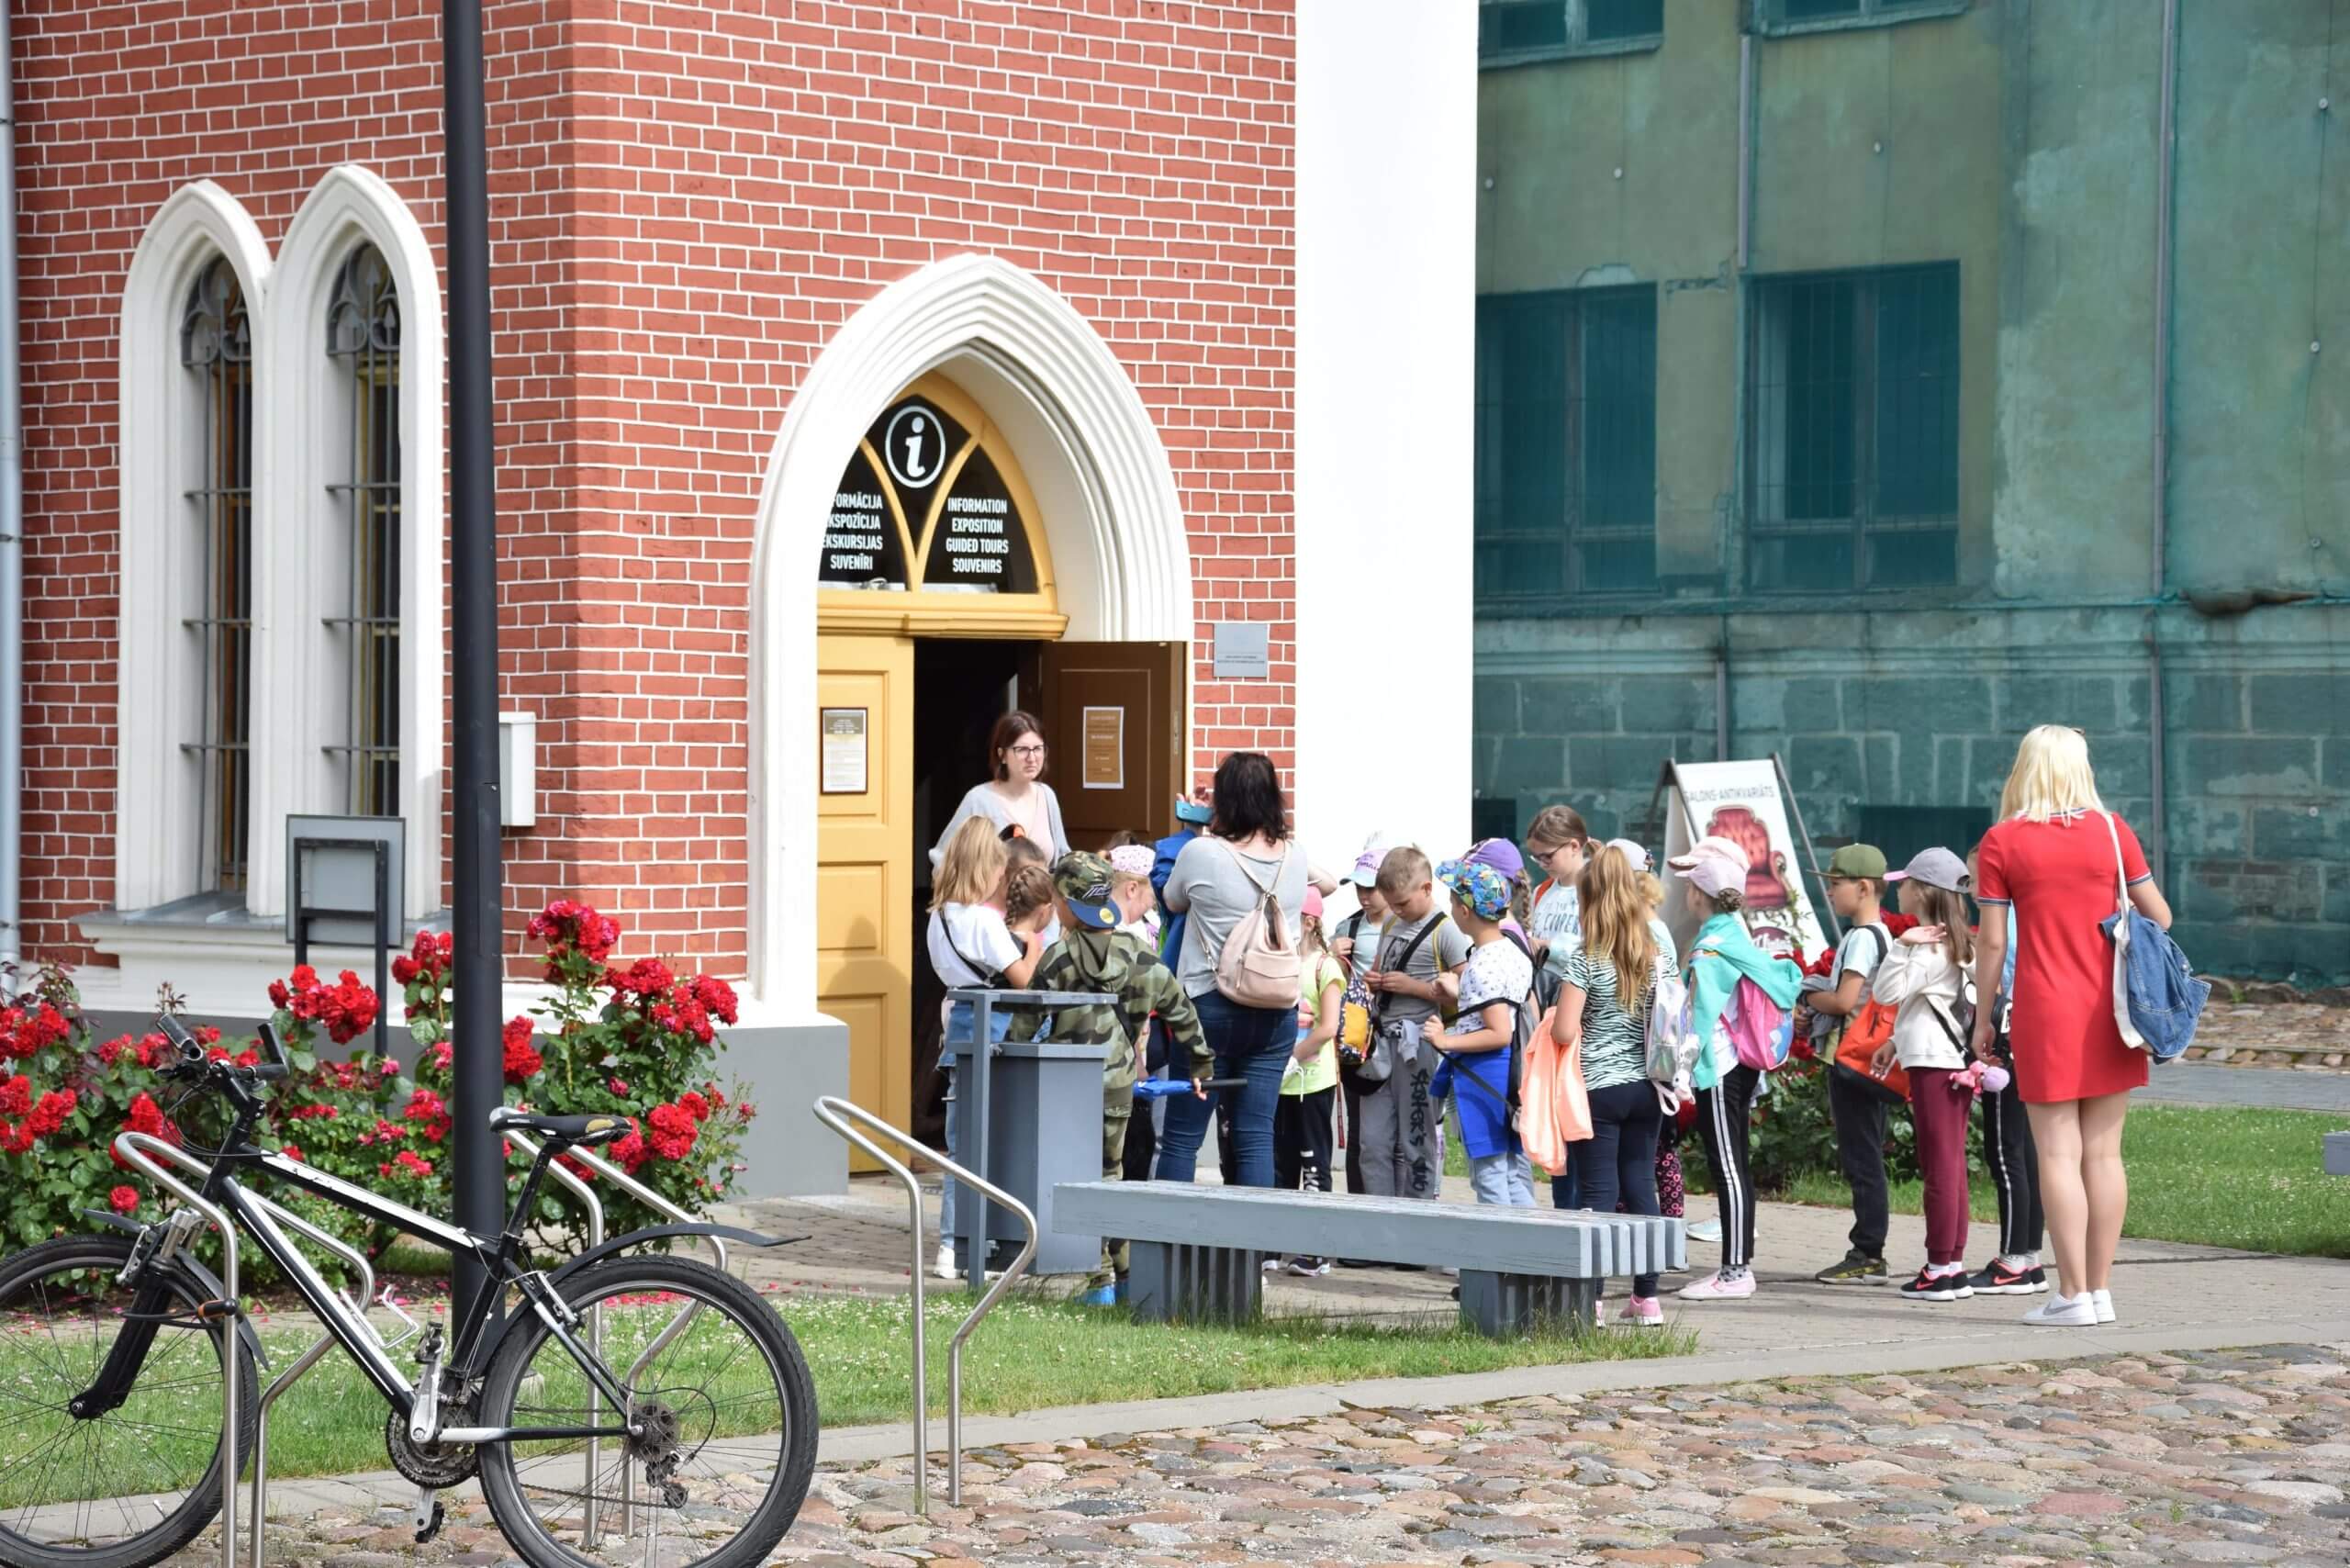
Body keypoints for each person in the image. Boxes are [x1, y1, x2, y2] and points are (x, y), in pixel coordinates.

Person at [1970, 725, 2175, 1329]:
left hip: (2046, 1010)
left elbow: (1992, 942)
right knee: (2105, 1156)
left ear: (2024, 770)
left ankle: (2072, 1295)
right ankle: (2103, 1292)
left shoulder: (2003, 842)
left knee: (2056, 1156)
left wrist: (1983, 1018)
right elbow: (2159, 915)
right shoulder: (2114, 832)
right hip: (2113, 1012)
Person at [1002, 853, 1206, 1305]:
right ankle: (1128, 1274)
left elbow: (1026, 1020)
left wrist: (1006, 1057)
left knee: (1079, 1178)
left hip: (1066, 1088)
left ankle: (1100, 1282)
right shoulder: (1140, 955)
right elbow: (1182, 1010)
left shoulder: (1058, 958)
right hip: (1117, 1084)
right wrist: (1201, 1064)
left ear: (1070, 906)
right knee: (1109, 1175)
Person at [1155, 752, 1311, 1189]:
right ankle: (1251, 1253)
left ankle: (1173, 1247)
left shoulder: (1201, 852)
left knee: (1183, 1136)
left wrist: (1198, 824)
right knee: (1255, 1134)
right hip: (1276, 1009)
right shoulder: (1296, 857)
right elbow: (1326, 881)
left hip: (1209, 1009)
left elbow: (1172, 900)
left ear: (1223, 797)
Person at [1551, 844, 1676, 1327]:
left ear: (1588, 899)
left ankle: (1593, 1301)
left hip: (1598, 1088)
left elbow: (1565, 1030)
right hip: (1648, 1086)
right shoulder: (1656, 951)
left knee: (1598, 1193)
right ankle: (1647, 1299)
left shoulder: (1586, 959)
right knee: (1641, 1186)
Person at [1672, 834, 1800, 1301]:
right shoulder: (1733, 934)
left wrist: (1681, 1070)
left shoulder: (1714, 946)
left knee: (1727, 1166)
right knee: (1735, 1165)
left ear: (1697, 894)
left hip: (1719, 1067)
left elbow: (1699, 1015)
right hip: (1738, 1067)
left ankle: (1735, 1271)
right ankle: (1735, 1266)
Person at [923, 817, 1045, 1280]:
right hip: (994, 1034)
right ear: (985, 869)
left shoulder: (940, 919)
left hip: (957, 1026)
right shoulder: (983, 922)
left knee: (962, 1145)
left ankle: (954, 1244)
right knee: (991, 1144)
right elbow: (1024, 980)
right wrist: (1033, 940)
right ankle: (976, 1244)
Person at [1866, 847, 1979, 1303]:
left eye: (1906, 881)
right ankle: (1952, 1262)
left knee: (1939, 1165)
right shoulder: (1958, 942)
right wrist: (1896, 1040)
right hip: (1949, 1057)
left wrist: (1900, 946)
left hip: (1935, 1063)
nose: (1899, 887)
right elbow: (1928, 1003)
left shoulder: (1928, 945)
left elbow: (1887, 991)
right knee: (1951, 1165)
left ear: (1924, 891)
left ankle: (1938, 1267)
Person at [1803, 844, 1898, 1287]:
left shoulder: (1861, 938)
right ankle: (1868, 1248)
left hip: (1853, 1063)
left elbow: (1844, 1001)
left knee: (1861, 1159)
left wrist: (1805, 996)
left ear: (1863, 888)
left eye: (1836, 884)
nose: (1831, 893)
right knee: (1867, 1155)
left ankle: (1867, 1252)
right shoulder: (1883, 935)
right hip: (1870, 1063)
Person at [1355, 845, 1472, 1201]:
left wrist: (1416, 988)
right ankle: (1379, 1227)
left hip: (1419, 1046)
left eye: (1403, 903)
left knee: (1415, 1140)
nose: (1397, 910)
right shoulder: (1391, 921)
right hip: (1382, 1046)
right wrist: (1375, 981)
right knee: (1372, 1143)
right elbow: (1378, 966)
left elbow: (1467, 994)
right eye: (1392, 904)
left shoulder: (1445, 932)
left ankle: (1416, 1227)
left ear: (1426, 889)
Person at [1427, 858, 1535, 1208]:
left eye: (1452, 901)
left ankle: (1499, 1258)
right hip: (1508, 1072)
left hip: (1484, 1073)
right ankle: (1532, 1256)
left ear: (1464, 910)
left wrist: (1446, 1040)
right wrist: (1460, 997)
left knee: (1489, 1175)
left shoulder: (1484, 962)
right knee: (1509, 1172)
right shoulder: (1511, 950)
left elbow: (1498, 1032)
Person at [1965, 841, 2046, 1295]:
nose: (1975, 889)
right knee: (2029, 1148)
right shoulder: (2035, 913)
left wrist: (1983, 1022)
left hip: (2009, 1030)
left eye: (1978, 879)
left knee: (2005, 1148)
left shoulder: (2002, 923)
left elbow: (1993, 961)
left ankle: (2013, 1258)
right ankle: (2028, 1254)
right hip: (2037, 1032)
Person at [1271, 889, 1346, 1274]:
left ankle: (1317, 1249)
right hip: (1281, 1081)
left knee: (1313, 1163)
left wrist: (1293, 1057)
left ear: (1310, 920)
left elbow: (1328, 1026)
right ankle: (1276, 1243)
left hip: (1313, 1080)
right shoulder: (1279, 961)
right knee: (1279, 1164)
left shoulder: (1325, 967)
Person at [931, 711, 1069, 868]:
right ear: (1002, 755)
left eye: (1037, 748)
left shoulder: (1047, 796)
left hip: (1040, 892)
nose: (1031, 758)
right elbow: (943, 859)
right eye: (1022, 749)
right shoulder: (979, 800)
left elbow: (1062, 858)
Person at [1331, 846, 1391, 1196]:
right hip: (1357, 1042)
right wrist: (1332, 955)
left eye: (1371, 888)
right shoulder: (1348, 926)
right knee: (1359, 1128)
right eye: (1359, 888)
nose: (1364, 896)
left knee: (1388, 1131)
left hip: (1394, 1037)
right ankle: (1358, 1201)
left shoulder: (1405, 925)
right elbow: (1330, 981)